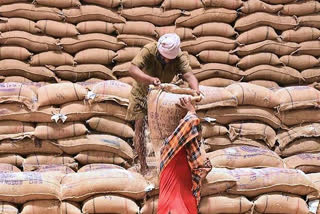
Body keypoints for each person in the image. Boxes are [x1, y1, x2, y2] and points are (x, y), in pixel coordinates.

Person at [126, 33, 200, 174]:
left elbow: (189, 76)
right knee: (140, 127)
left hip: (161, 97)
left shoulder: (179, 58)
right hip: (141, 93)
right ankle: (143, 165)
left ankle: (166, 163)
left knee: (167, 129)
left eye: (169, 59)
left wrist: (196, 91)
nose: (166, 60)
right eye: (163, 57)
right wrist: (150, 79)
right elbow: (132, 69)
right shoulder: (149, 50)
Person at [158, 97, 212, 214]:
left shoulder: (195, 161)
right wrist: (191, 111)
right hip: (172, 209)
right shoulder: (169, 149)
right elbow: (190, 123)